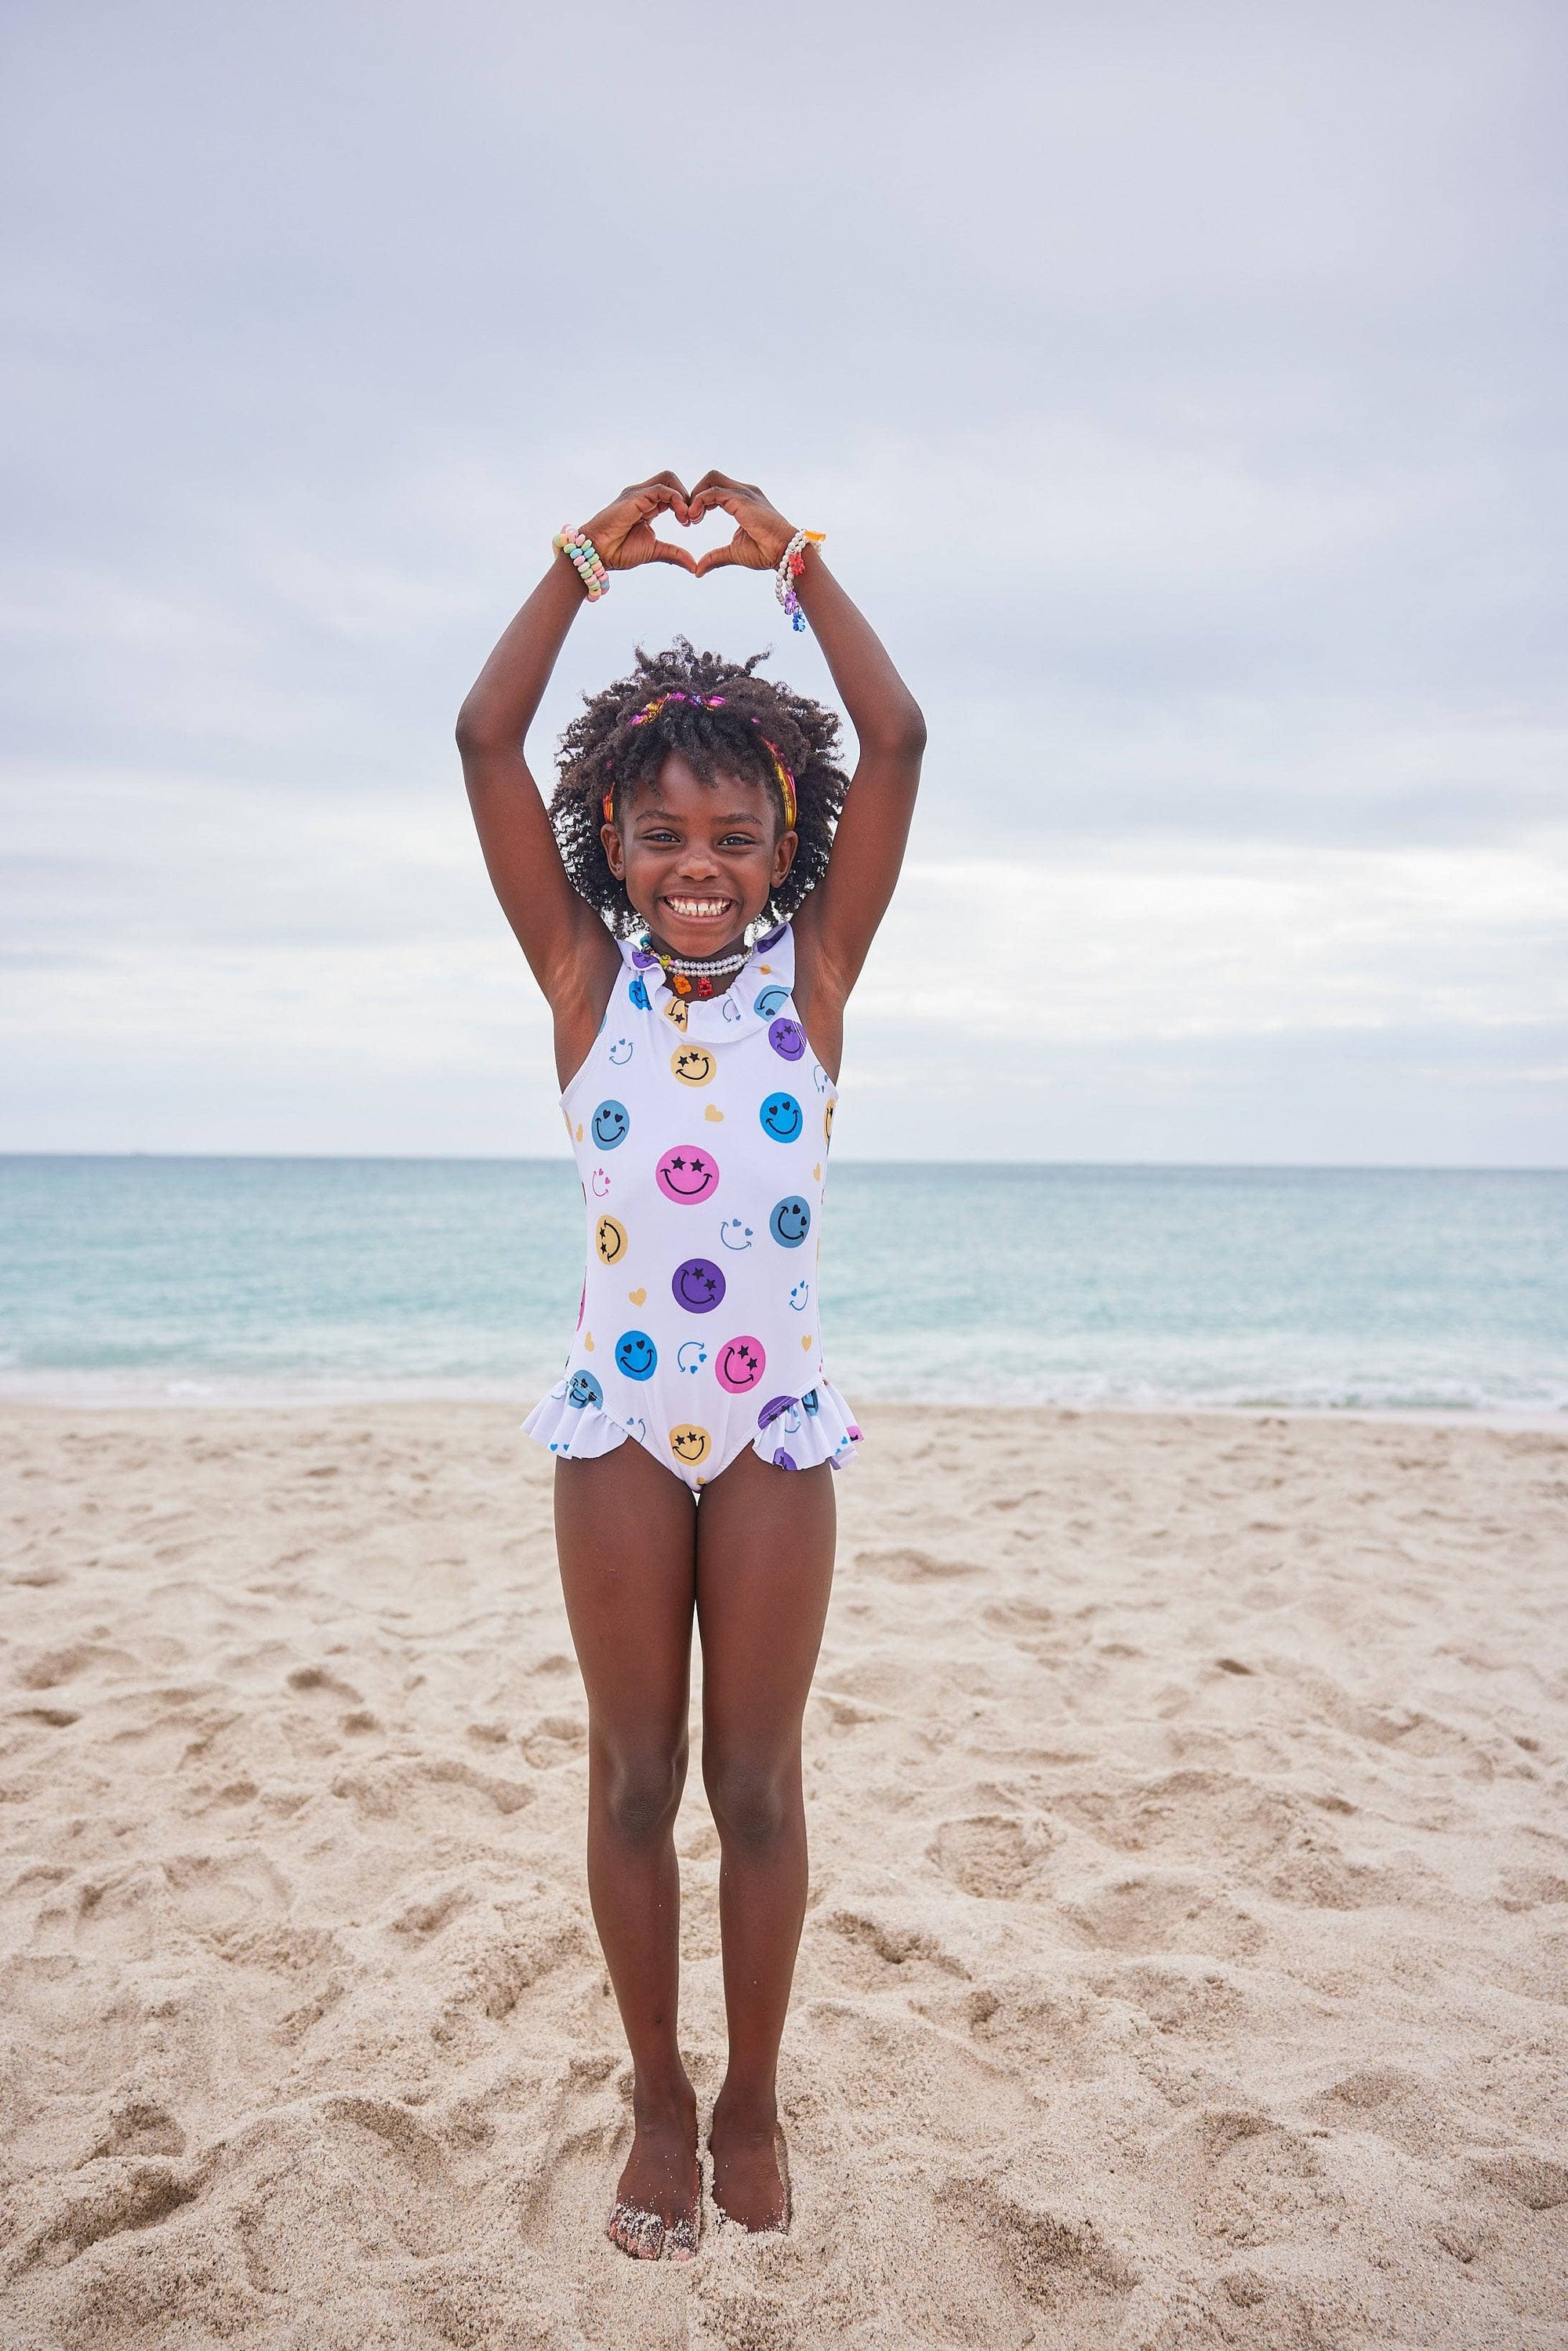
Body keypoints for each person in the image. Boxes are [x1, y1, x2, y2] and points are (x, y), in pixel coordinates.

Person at [456, 471, 925, 2259]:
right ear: (610, 844)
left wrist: (789, 553)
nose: (698, 866)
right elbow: (484, 733)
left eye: (733, 833)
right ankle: (658, 2090)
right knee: (635, 1777)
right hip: (622, 1431)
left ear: (783, 841)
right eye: (660, 834)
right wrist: (590, 560)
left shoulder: (813, 978)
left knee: (760, 1785)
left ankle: (752, 2093)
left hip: (778, 1431)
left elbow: (897, 734)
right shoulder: (585, 980)